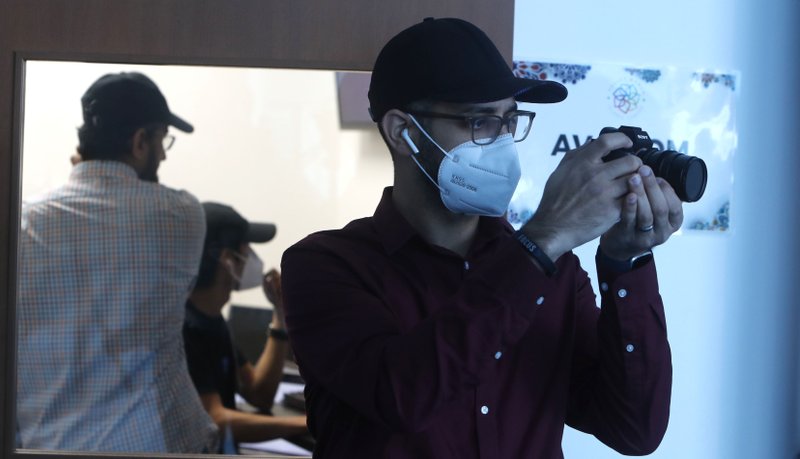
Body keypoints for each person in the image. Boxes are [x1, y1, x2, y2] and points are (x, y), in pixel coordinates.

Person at [281, 17, 683, 459]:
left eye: (509, 122)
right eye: (480, 123)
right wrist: (542, 240)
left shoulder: (554, 271)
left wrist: (625, 263)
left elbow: (633, 430)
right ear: (403, 132)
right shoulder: (325, 265)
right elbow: (404, 396)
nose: (503, 142)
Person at [16, 72, 218, 452]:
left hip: (43, 447)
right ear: (140, 141)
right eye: (162, 141)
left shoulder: (21, 222)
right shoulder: (182, 215)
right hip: (153, 446)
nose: (164, 154)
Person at [183, 202, 308, 454]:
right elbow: (213, 418)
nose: (252, 258)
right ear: (228, 259)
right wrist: (305, 423)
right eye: (246, 249)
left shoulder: (213, 321)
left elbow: (258, 392)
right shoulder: (186, 328)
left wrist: (279, 316)